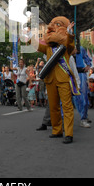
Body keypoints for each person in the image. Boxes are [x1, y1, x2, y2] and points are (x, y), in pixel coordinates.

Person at [33, 16, 77, 144]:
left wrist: (69, 32)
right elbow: (36, 45)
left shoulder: (66, 47)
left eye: (56, 24)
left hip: (63, 79)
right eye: (50, 24)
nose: (50, 27)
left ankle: (68, 133)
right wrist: (29, 35)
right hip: (50, 79)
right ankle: (57, 130)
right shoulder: (47, 47)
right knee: (53, 107)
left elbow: (70, 43)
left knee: (67, 107)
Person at [73, 46, 92, 128]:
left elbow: (86, 57)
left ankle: (83, 117)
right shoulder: (64, 47)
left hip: (80, 74)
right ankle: (62, 121)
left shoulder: (80, 48)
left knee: (82, 97)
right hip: (69, 74)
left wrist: (88, 65)